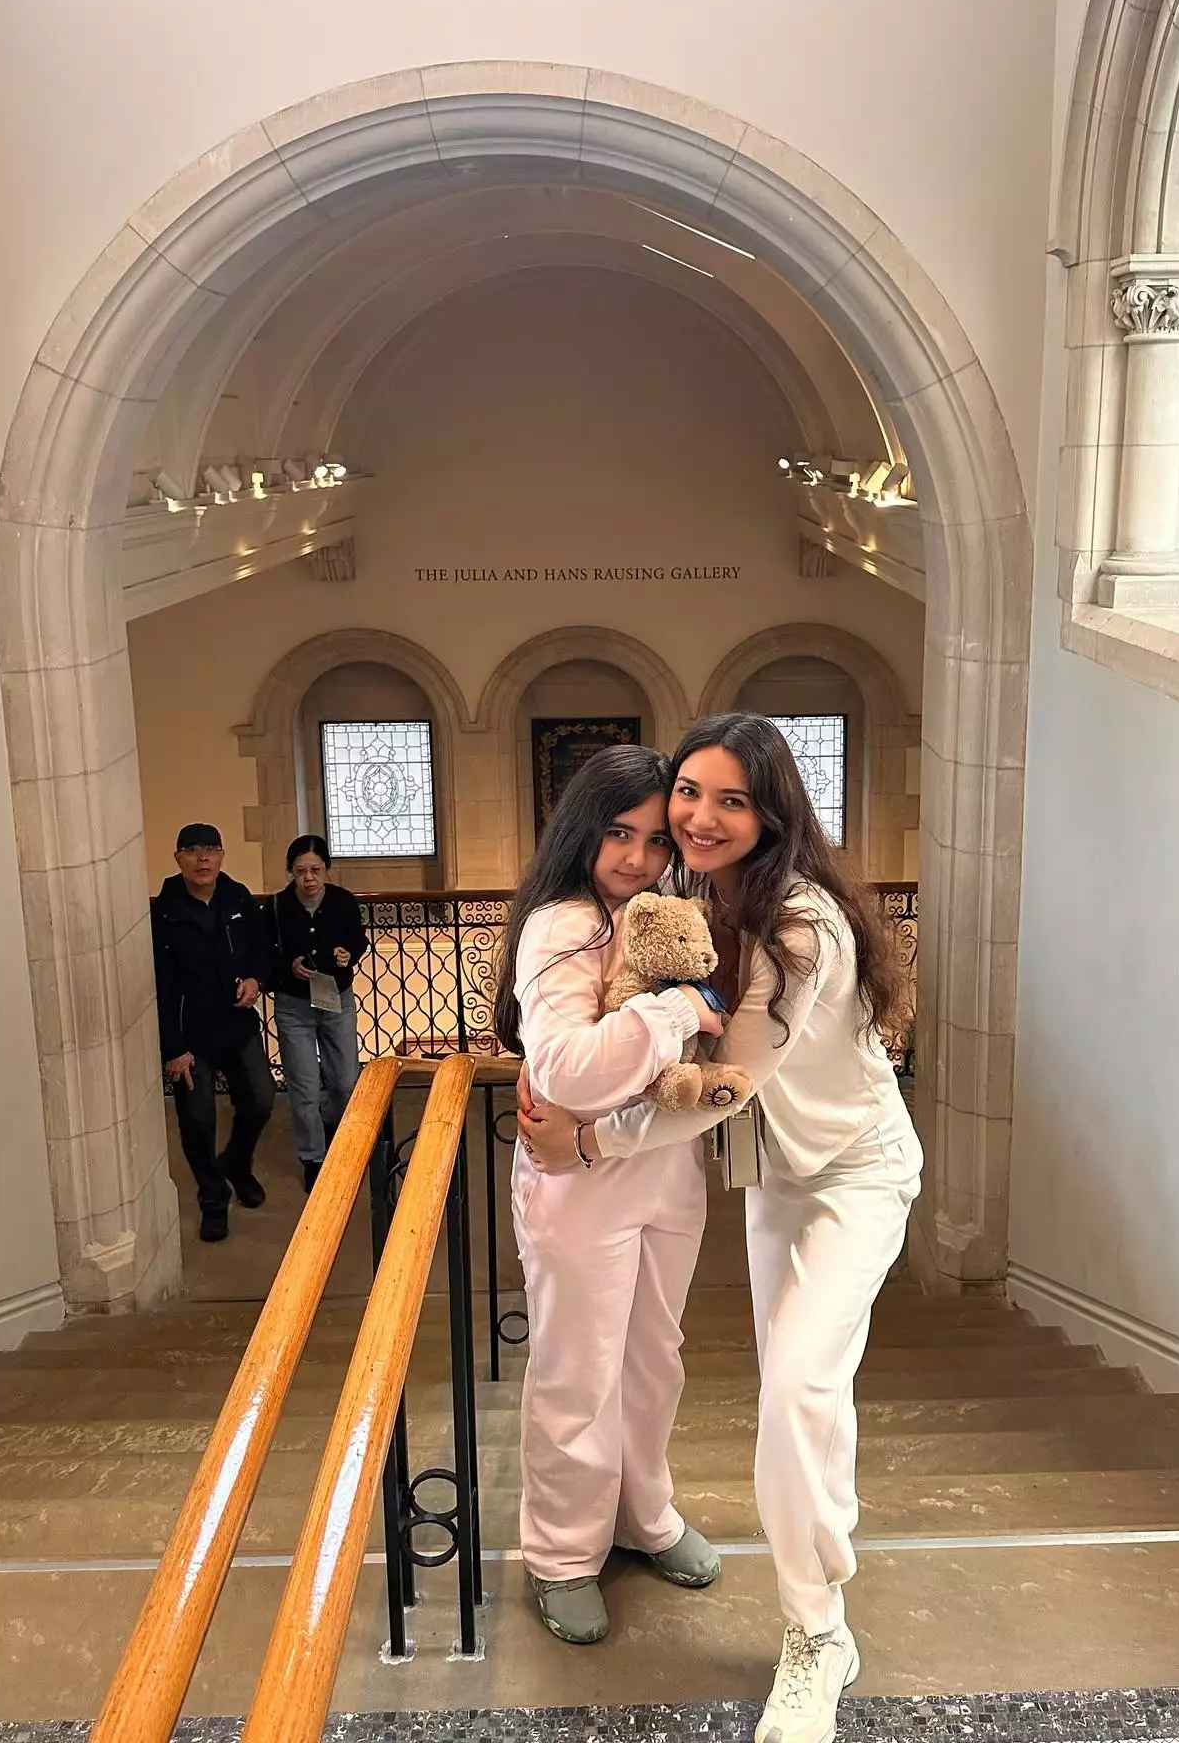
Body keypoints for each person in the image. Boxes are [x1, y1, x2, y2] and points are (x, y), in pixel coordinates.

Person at [519, 714, 919, 1743]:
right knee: (803, 1393)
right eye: (687, 796)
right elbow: (593, 1038)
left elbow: (729, 1080)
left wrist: (587, 1141)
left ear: (771, 813)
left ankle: (817, 1630)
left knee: (793, 1389)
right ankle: (584, 1547)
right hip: (775, 1183)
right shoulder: (691, 902)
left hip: (853, 1173)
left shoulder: (801, 926)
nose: (695, 821)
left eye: (728, 801)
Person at [491, 744, 725, 1645]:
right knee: (578, 1370)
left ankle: (643, 1515)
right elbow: (568, 1070)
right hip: (578, 1184)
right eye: (619, 834)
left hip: (665, 1170)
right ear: (582, 830)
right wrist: (677, 1010)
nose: (637, 857)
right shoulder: (562, 926)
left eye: (657, 839)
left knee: (653, 1359)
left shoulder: (671, 915)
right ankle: (562, 1552)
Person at [152, 823, 276, 1243]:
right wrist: (174, 1048)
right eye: (192, 850)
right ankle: (213, 1198)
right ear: (178, 859)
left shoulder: (238, 898)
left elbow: (262, 951)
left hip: (238, 1027)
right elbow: (159, 987)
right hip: (191, 1040)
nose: (202, 858)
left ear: (222, 855)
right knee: (197, 1121)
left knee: (261, 1099)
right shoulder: (164, 912)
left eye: (210, 849)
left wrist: (257, 980)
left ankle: (237, 1163)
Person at [267, 835, 369, 1194]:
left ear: (326, 868)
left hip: (335, 999)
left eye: (315, 870)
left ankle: (332, 1123)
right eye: (300, 871)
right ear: (290, 872)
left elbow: (359, 940)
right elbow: (266, 952)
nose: (308, 878)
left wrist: (348, 954)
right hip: (294, 1004)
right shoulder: (277, 906)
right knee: (304, 1084)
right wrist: (289, 966)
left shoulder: (342, 901)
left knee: (345, 1081)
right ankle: (313, 1157)